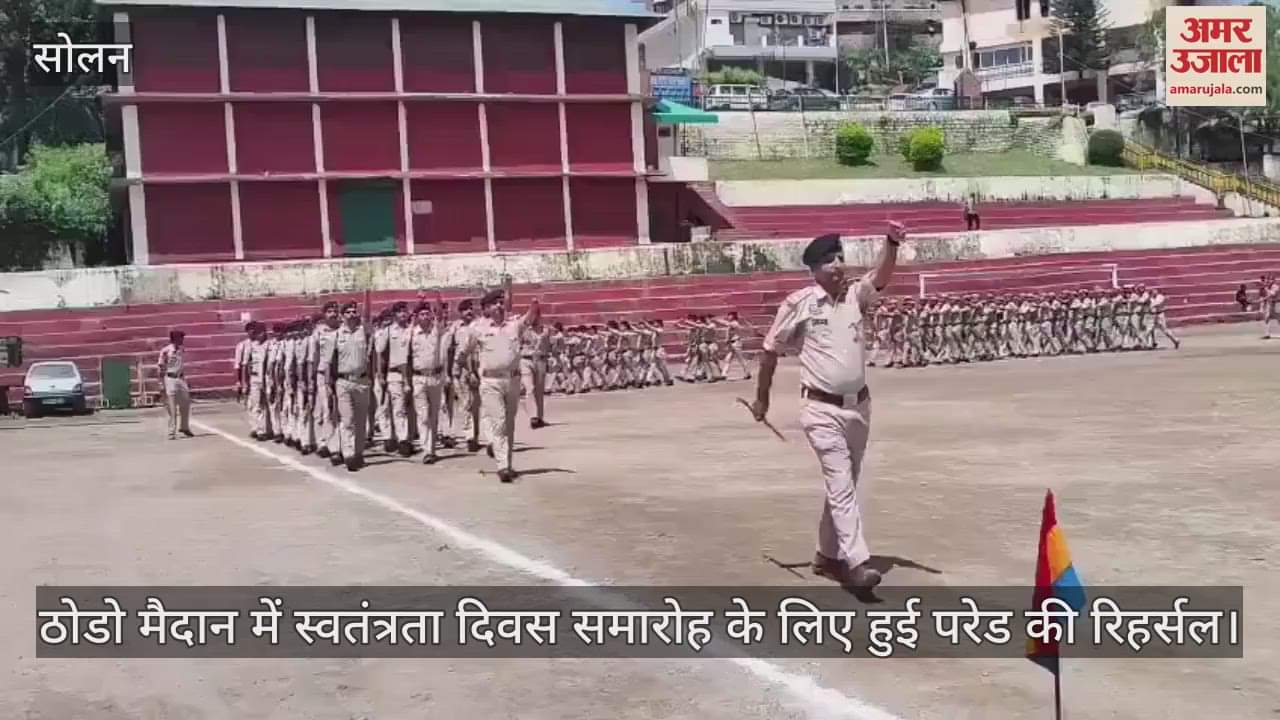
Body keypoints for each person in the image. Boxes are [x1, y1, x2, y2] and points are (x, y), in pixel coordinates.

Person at [751, 222, 906, 591]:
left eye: (840, 257)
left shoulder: (856, 296)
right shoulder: (800, 304)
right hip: (820, 410)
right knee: (840, 483)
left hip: (860, 408)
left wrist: (892, 243)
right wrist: (762, 398)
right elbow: (770, 350)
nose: (838, 265)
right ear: (814, 270)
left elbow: (881, 276)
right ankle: (857, 563)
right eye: (829, 261)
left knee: (845, 485)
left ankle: (826, 555)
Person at [465, 278, 542, 483]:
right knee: (498, 423)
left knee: (509, 424)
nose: (499, 306)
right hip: (490, 382)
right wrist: (470, 372)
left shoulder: (513, 325)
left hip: (512, 380)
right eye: (494, 303)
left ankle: (507, 462)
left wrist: (534, 304)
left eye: (501, 302)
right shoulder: (477, 329)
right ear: (487, 308)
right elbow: (466, 352)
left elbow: (529, 319)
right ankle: (503, 466)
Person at [410, 295, 449, 465]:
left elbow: (440, 316)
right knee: (423, 415)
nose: (425, 317)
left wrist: (437, 298)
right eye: (422, 314)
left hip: (435, 376)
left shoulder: (436, 330)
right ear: (417, 317)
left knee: (433, 415)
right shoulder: (412, 333)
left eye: (427, 314)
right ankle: (427, 450)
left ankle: (432, 449)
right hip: (418, 377)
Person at [333, 302, 372, 472]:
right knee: (347, 420)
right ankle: (348, 455)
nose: (351, 314)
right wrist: (329, 383)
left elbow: (368, 316)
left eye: (353, 311)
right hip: (343, 381)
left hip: (362, 381)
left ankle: (358, 453)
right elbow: (330, 361)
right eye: (347, 312)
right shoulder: (336, 335)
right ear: (342, 315)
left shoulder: (364, 331)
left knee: (361, 420)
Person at [157, 329, 193, 440]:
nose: (182, 340)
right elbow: (161, 367)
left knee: (186, 403)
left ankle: (184, 427)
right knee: (172, 407)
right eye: (180, 338)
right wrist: (161, 382)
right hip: (170, 378)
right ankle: (171, 431)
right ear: (175, 339)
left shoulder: (182, 350)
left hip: (181, 378)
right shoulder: (166, 351)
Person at [520, 315, 551, 428]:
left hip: (540, 360)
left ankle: (540, 417)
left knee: (539, 390)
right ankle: (533, 417)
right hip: (526, 359)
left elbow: (548, 346)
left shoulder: (546, 331)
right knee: (529, 388)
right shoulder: (524, 330)